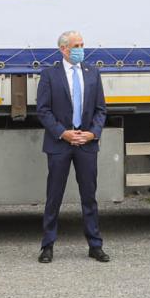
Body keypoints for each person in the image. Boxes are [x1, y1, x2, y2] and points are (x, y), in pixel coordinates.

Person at [36, 29, 109, 263]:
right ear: (63, 49)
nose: (80, 50)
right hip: (60, 145)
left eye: (82, 45)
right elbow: (43, 110)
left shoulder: (92, 73)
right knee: (54, 196)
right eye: (76, 46)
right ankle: (47, 246)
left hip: (86, 144)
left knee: (89, 197)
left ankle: (95, 245)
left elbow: (101, 109)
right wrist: (63, 133)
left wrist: (92, 133)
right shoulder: (49, 75)